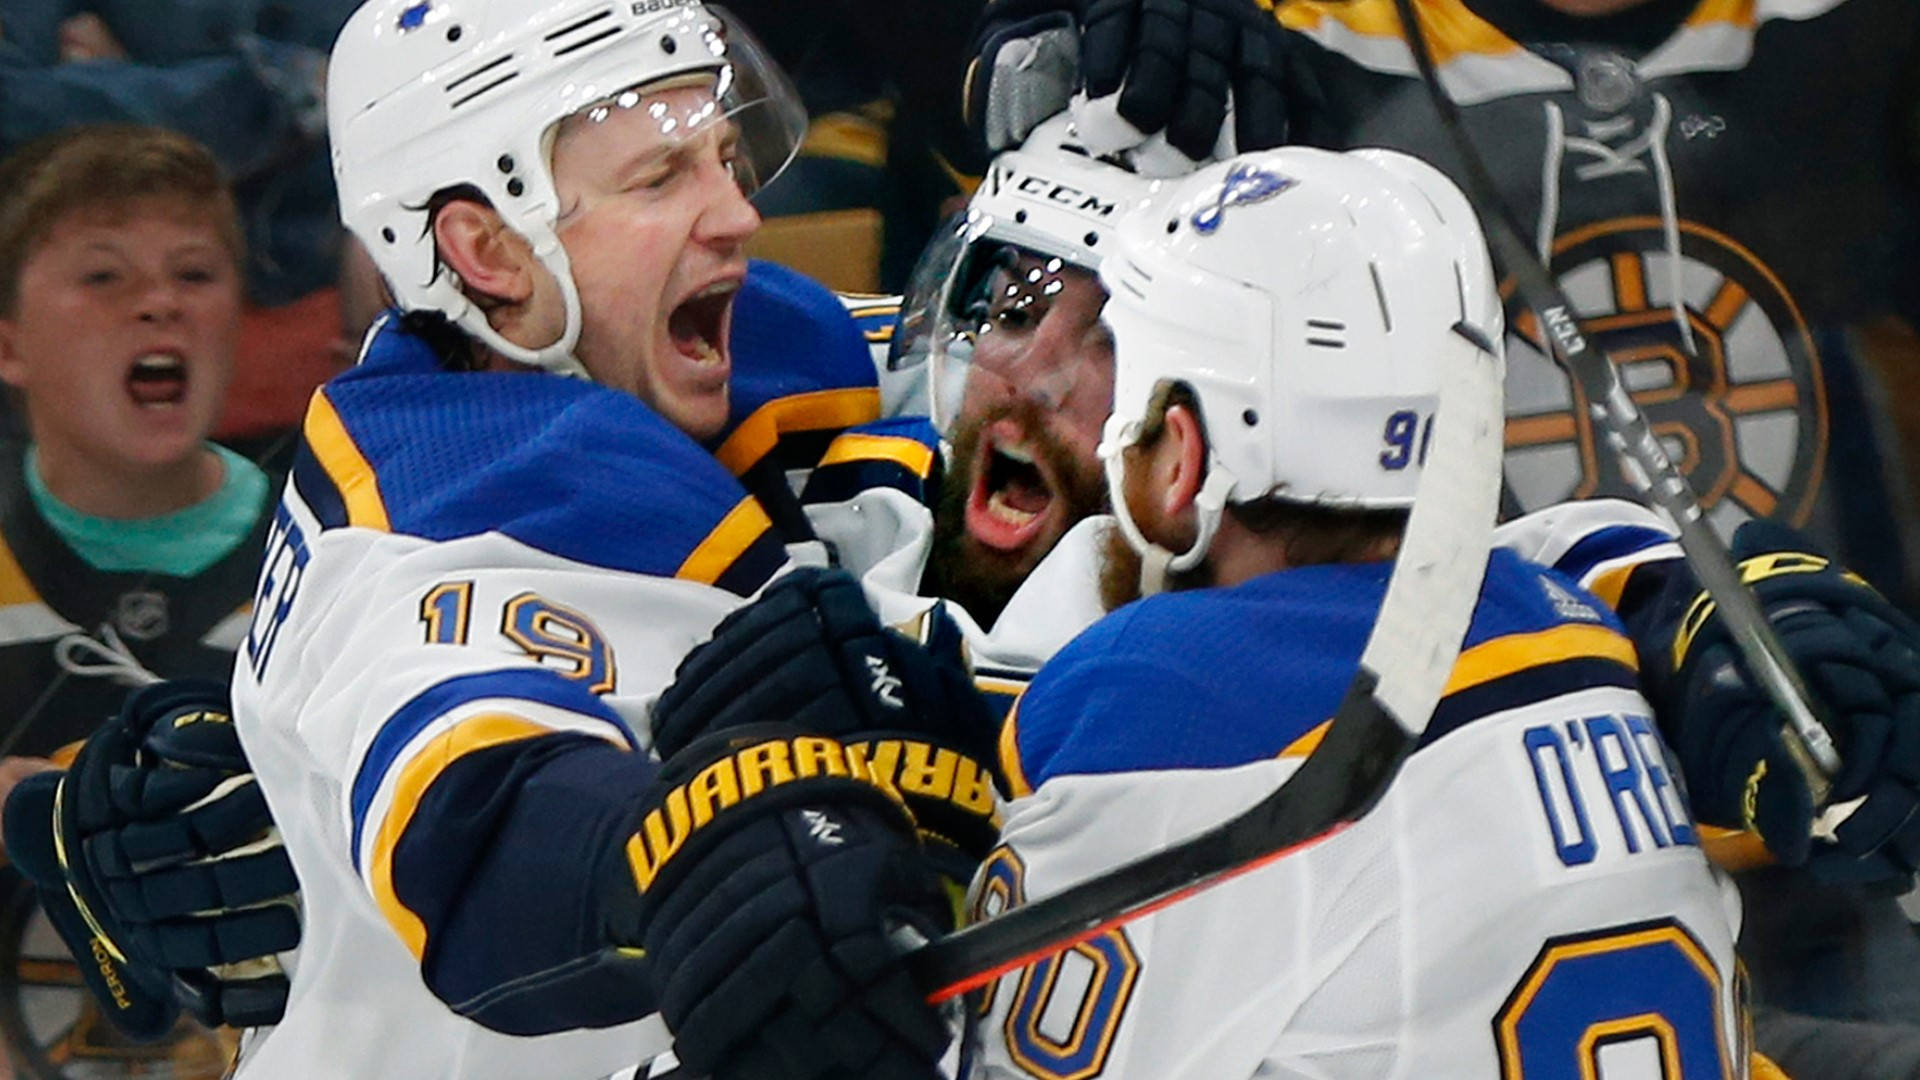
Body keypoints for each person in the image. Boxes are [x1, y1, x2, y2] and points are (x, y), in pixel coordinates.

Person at [1, 2, 997, 1078]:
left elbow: (1041, 374)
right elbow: (478, 814)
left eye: (722, 157)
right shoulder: (437, 516)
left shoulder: (723, 346)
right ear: (487, 249)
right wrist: (676, 852)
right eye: (660, 180)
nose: (737, 216)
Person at [0, 123, 286, 1077]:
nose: (159, 303)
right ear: (9, 343)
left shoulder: (336, 549)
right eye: (104, 278)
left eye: (195, 275)